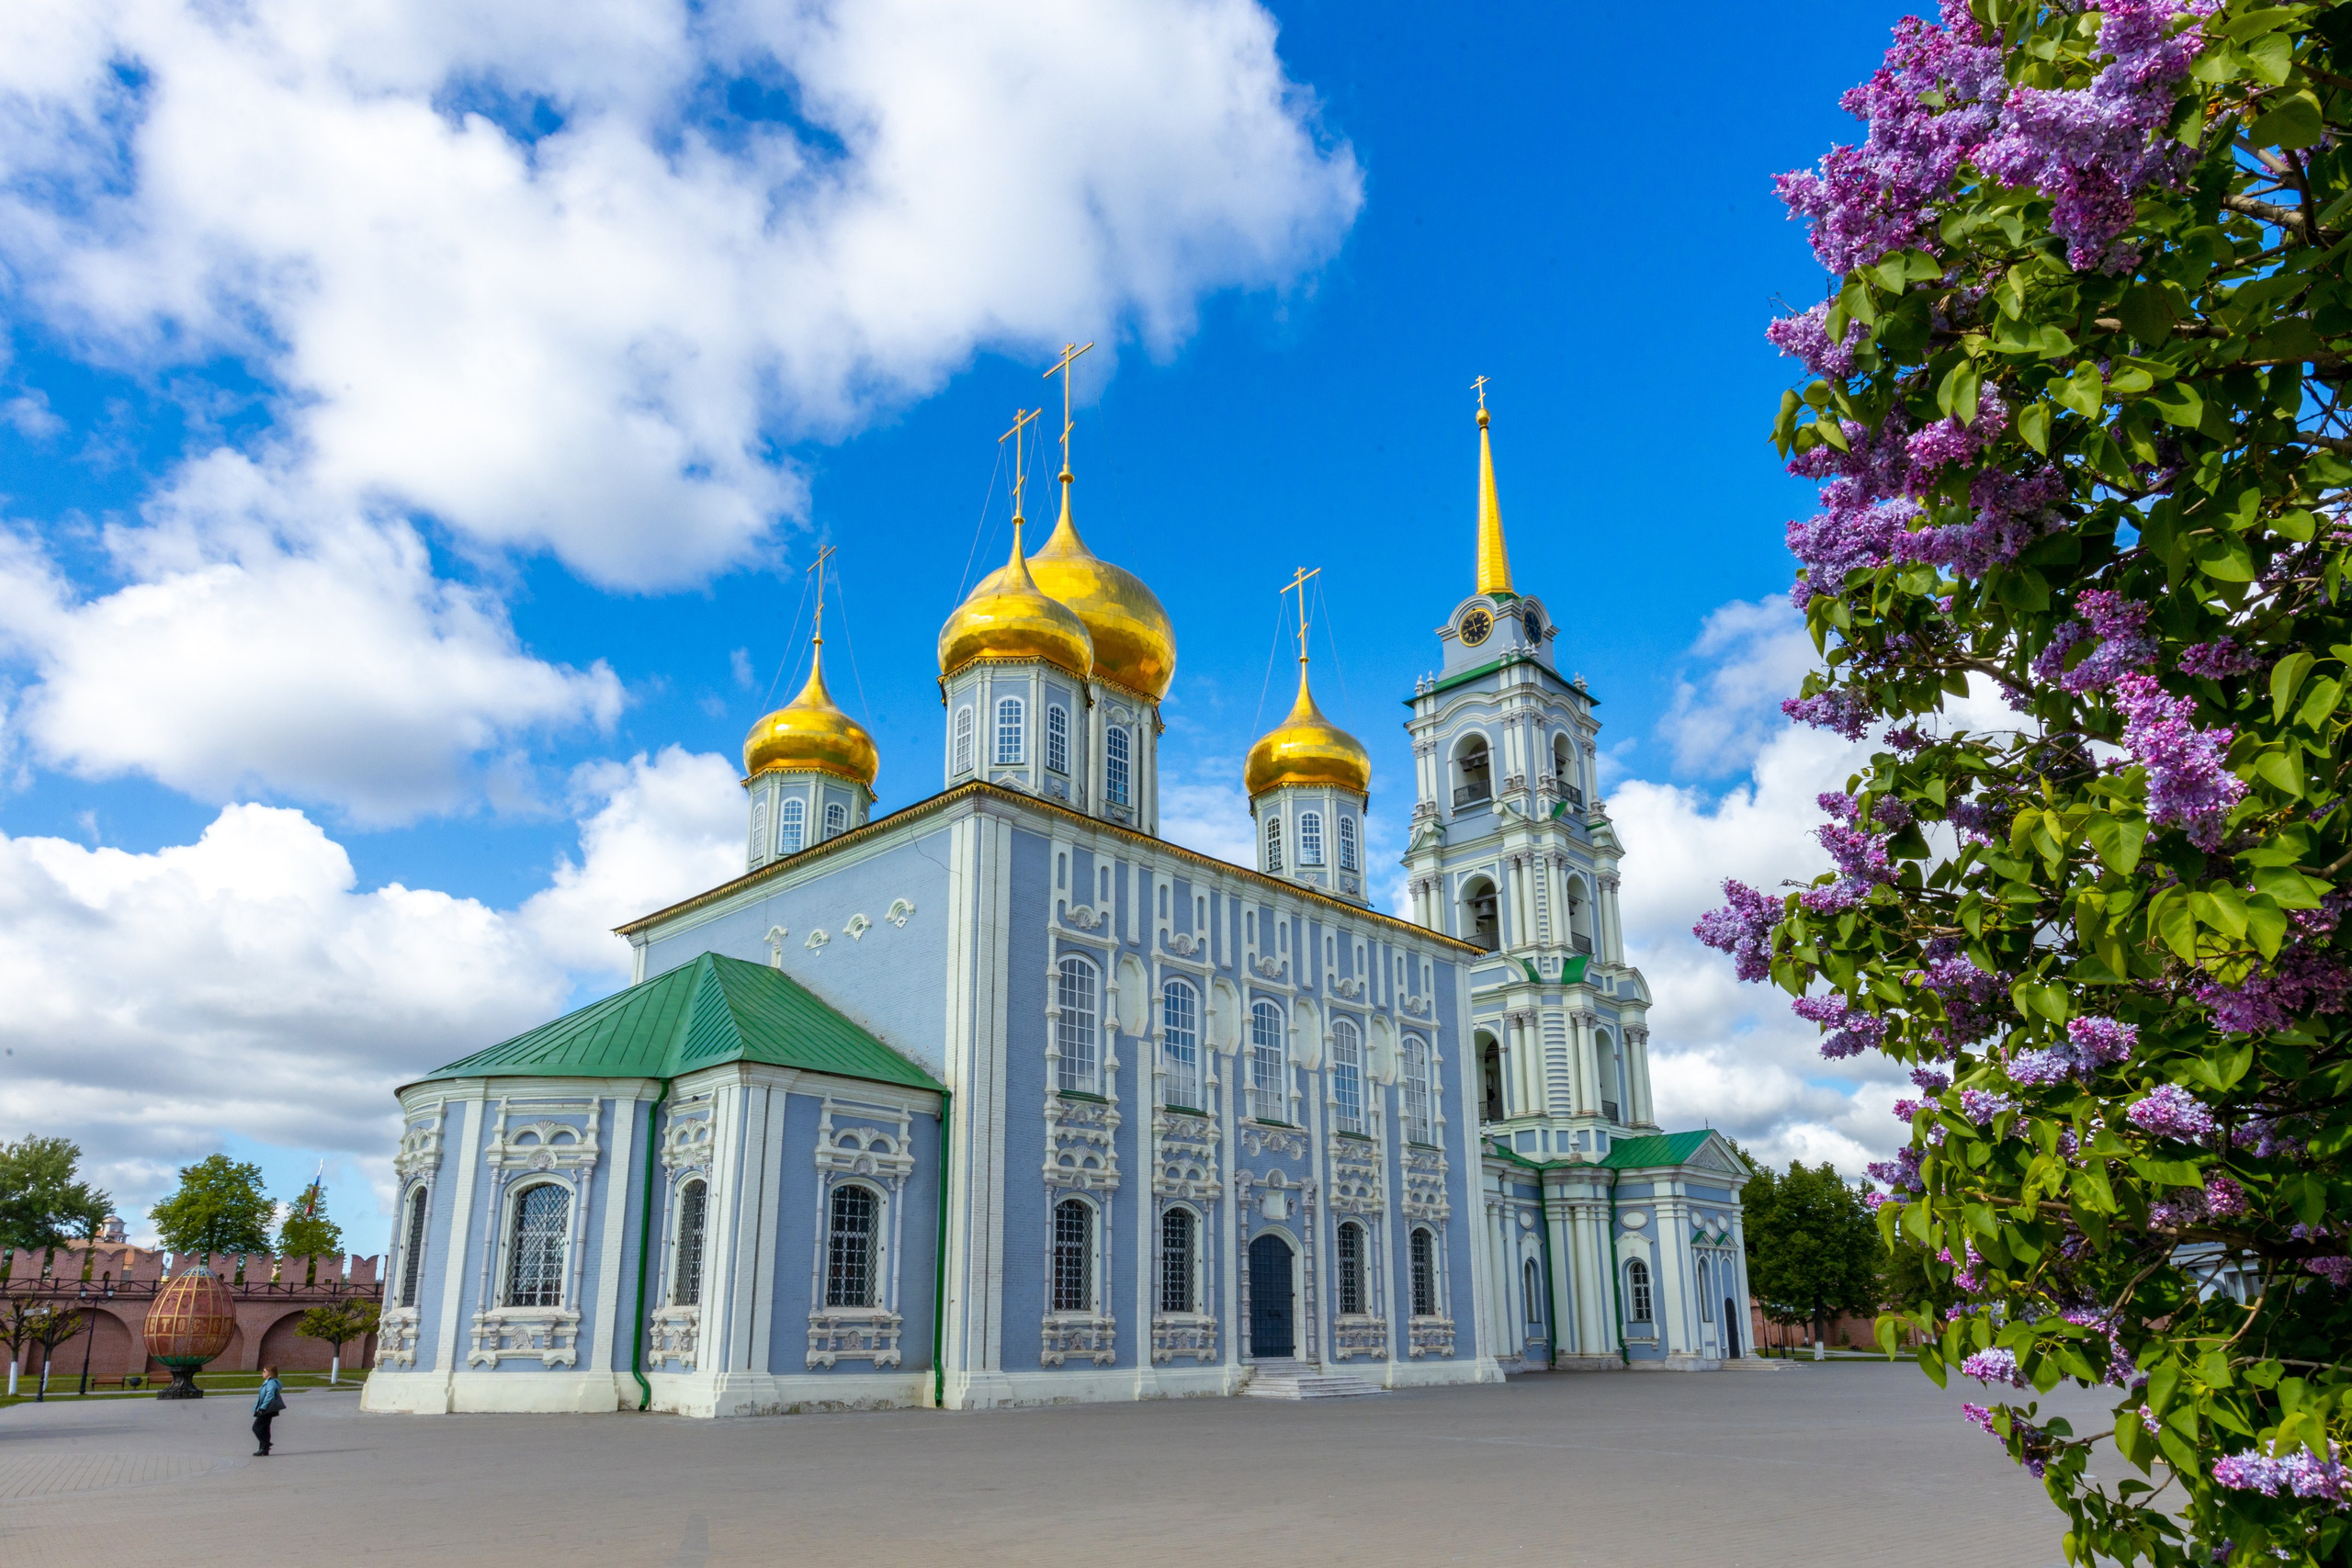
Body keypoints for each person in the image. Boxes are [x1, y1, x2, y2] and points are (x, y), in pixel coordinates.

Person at [251, 1365, 285, 1456]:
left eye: (264, 1371)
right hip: (268, 1409)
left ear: (270, 1373)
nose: (263, 1373)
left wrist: (262, 1407)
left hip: (266, 1409)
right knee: (265, 1429)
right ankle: (264, 1450)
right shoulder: (270, 1382)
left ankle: (265, 1445)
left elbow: (269, 1395)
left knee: (256, 1428)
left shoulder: (271, 1382)